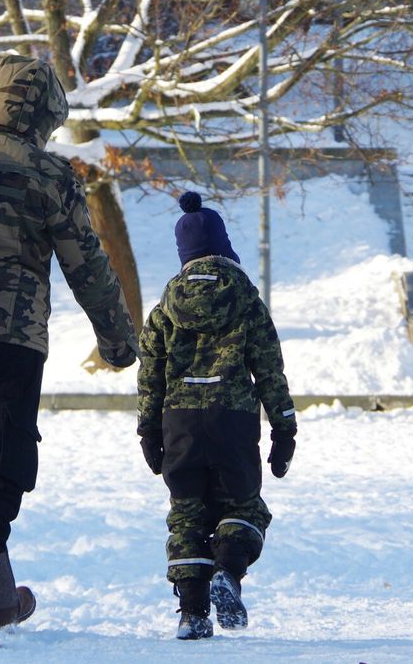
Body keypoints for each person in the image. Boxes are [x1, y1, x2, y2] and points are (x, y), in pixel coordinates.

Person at [0, 55, 138, 650]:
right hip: (9, 345)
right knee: (4, 469)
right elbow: (87, 267)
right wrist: (118, 341)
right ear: (42, 115)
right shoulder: (47, 174)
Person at [136, 190, 297, 640]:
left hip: (180, 423)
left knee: (187, 514)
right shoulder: (245, 299)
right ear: (224, 246)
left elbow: (150, 374)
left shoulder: (164, 308)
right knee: (243, 506)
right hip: (233, 421)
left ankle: (192, 613)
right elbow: (269, 368)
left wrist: (148, 431)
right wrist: (284, 429)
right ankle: (228, 572)